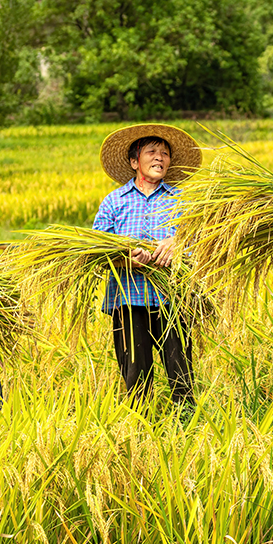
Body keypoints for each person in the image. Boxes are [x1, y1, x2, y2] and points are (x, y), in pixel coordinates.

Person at [92, 124, 202, 409]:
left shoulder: (182, 201)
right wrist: (124, 258)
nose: (160, 158)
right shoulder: (114, 202)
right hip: (128, 299)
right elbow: (96, 252)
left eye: (164, 153)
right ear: (134, 162)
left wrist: (178, 243)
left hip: (172, 299)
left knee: (181, 372)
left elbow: (200, 241)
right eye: (152, 152)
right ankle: (140, 432)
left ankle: (185, 426)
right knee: (135, 375)